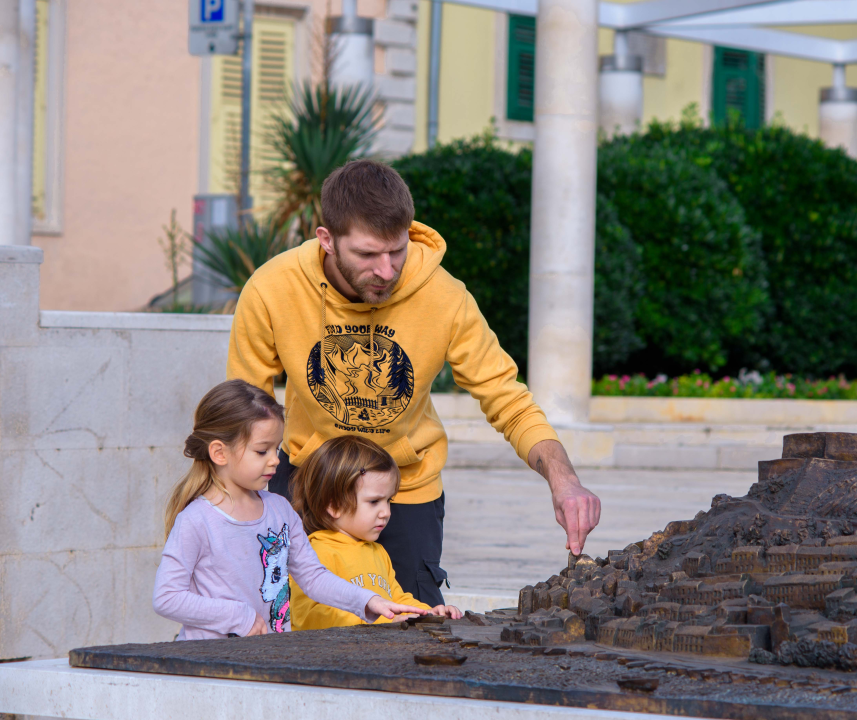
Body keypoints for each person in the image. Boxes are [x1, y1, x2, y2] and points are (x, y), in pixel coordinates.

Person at [227, 159, 601, 607]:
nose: (386, 271)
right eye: (367, 255)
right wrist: (241, 507)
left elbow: (508, 400)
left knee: (414, 626)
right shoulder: (271, 289)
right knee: (286, 619)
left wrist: (564, 480)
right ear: (326, 240)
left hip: (405, 488)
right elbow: (247, 411)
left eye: (397, 251)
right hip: (309, 483)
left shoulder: (445, 297)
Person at [152, 380, 427, 640]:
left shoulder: (280, 509)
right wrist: (239, 616)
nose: (275, 460)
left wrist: (368, 601)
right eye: (262, 451)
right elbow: (167, 597)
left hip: (268, 660)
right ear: (219, 453)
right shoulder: (196, 520)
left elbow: (313, 577)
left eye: (276, 448)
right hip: (209, 667)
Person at [289, 436, 462, 630]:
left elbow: (397, 599)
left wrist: (427, 613)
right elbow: (309, 616)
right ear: (334, 505)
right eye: (374, 502)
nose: (386, 513)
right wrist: (380, 622)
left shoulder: (377, 551)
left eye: (389, 501)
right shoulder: (313, 553)